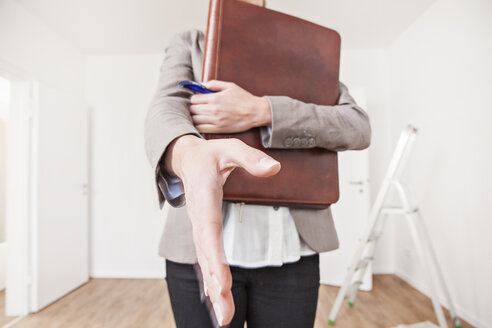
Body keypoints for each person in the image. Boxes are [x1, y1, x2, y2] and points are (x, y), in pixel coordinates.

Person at [144, 2, 371, 327]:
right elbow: (163, 110)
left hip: (293, 254)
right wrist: (187, 152)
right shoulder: (189, 43)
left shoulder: (305, 51)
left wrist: (262, 110)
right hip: (195, 256)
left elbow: (358, 126)